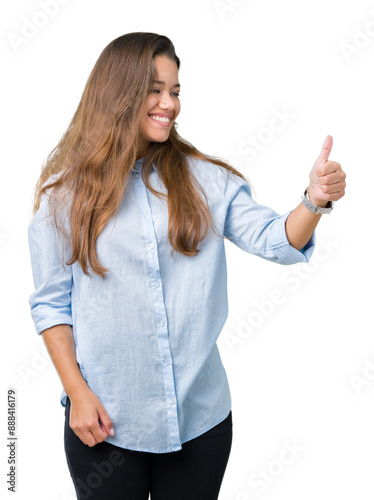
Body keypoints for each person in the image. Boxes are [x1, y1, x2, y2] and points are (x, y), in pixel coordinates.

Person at [27, 32, 346, 500]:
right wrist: (76, 392)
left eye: (175, 91)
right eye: (155, 90)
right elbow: (52, 306)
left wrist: (314, 201)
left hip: (201, 423)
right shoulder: (64, 196)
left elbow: (275, 240)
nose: (169, 104)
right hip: (105, 422)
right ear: (119, 92)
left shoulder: (206, 180)